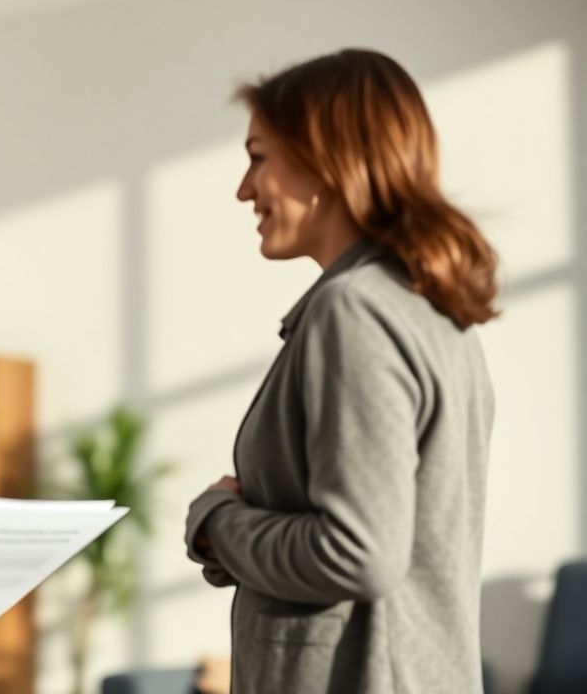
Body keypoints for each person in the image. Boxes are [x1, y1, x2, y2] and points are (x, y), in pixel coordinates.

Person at [184, 49, 498, 694]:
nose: (244, 189)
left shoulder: (353, 308)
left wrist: (217, 522)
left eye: (258, 156)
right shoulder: (431, 308)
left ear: (325, 156)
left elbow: (356, 553)